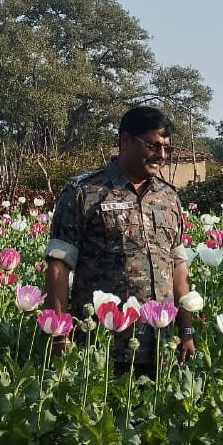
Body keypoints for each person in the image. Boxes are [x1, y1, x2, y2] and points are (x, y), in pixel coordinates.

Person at [44, 106, 195, 377]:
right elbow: (58, 265)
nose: (161, 155)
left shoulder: (168, 197)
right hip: (102, 347)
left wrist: (186, 330)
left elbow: (178, 266)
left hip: (161, 346)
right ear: (125, 140)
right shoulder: (84, 192)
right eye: (152, 145)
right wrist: (59, 335)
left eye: (166, 148)